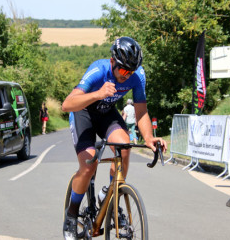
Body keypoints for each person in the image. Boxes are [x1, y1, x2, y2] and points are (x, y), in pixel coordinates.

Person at [61, 36, 167, 239]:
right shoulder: (98, 70)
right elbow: (67, 104)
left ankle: (110, 194)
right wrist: (98, 94)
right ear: (113, 61)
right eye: (124, 70)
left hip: (106, 113)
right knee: (89, 164)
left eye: (132, 70)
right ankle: (71, 215)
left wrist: (148, 137)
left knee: (124, 147)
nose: (128, 75)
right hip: (83, 111)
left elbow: (142, 111)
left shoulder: (137, 77)